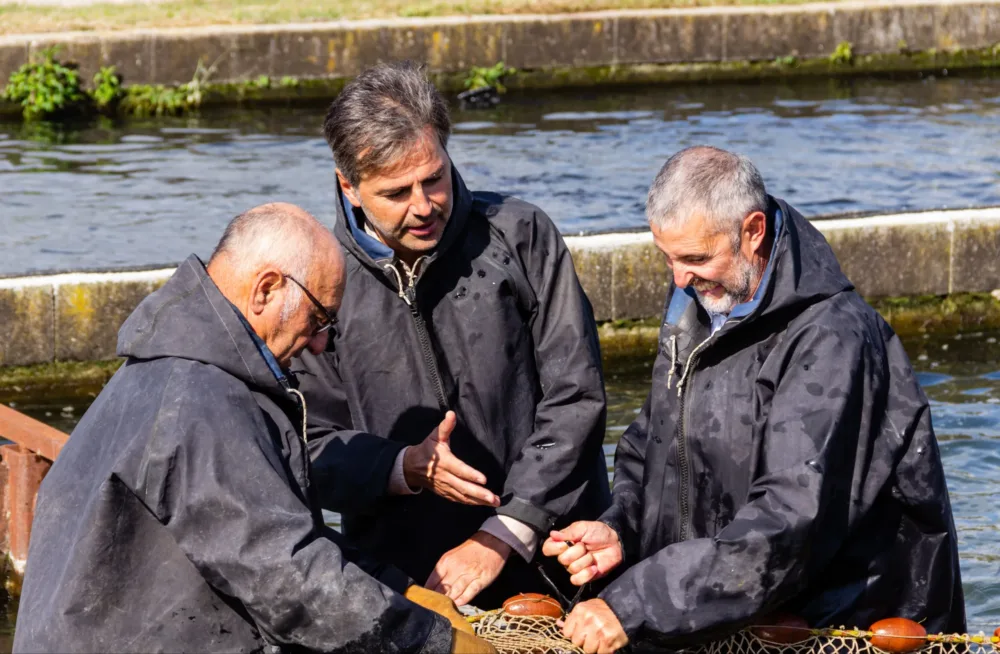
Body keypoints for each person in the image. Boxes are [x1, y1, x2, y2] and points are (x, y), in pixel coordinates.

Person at [14, 203, 495, 653]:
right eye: (319, 316)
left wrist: (402, 593)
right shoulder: (202, 398)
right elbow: (285, 577)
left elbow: (283, 533)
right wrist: (434, 641)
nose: (320, 343)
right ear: (266, 289)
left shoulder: (162, 372)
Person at [542, 147, 966, 654]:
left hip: (837, 628)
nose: (679, 278)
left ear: (754, 231)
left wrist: (637, 602)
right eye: (668, 257)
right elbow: (650, 448)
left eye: (696, 258)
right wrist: (621, 530)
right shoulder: (694, 302)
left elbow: (789, 521)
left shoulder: (832, 338)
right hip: (716, 617)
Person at [293, 61, 611, 609]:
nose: (423, 207)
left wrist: (505, 531)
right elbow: (310, 445)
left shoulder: (522, 233)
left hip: (554, 560)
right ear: (348, 186)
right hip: (406, 581)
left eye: (434, 178)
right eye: (396, 192)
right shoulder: (321, 280)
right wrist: (400, 468)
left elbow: (576, 396)